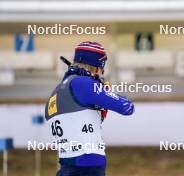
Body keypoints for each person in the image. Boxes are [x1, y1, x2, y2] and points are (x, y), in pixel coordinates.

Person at [44, 41, 134, 176]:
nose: (102, 73)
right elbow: (127, 107)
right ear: (97, 68)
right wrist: (105, 91)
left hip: (66, 165)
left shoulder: (56, 92)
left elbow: (81, 120)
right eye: (102, 68)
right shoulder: (83, 84)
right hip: (88, 165)